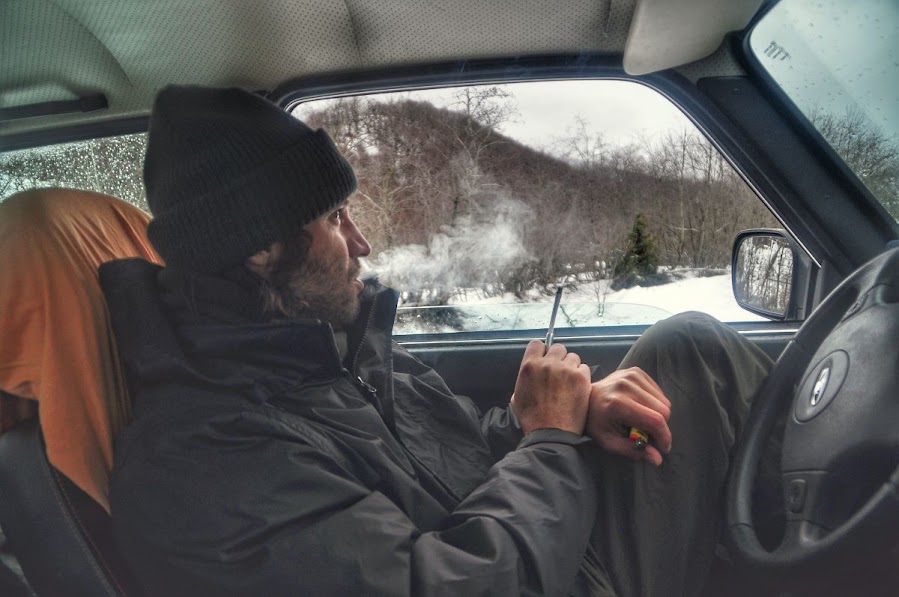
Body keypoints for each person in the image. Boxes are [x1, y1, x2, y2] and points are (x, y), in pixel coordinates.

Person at [99, 86, 775, 597]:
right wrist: (547, 442)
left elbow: (455, 454)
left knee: (687, 348)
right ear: (261, 250)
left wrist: (563, 418)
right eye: (335, 219)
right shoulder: (207, 457)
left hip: (546, 546)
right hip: (539, 575)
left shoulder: (332, 351)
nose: (361, 244)